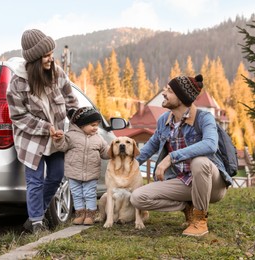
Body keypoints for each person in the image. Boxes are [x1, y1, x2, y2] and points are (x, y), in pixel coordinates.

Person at [130, 74, 232, 237]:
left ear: (182, 97)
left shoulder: (204, 118)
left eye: (169, 90)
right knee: (137, 198)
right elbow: (149, 148)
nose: (163, 93)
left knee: (199, 162)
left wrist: (171, 157)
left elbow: (210, 144)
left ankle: (199, 221)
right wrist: (126, 165)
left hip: (212, 184)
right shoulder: (164, 120)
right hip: (183, 183)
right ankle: (187, 205)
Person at [6, 29, 79, 233]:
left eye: (51, 53)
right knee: (35, 180)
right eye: (46, 55)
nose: (50, 59)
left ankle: (35, 215)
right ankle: (37, 222)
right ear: (36, 59)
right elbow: (18, 117)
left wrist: (74, 121)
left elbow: (71, 101)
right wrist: (46, 128)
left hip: (56, 139)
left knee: (56, 175)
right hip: (31, 139)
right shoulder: (17, 83)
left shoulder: (58, 73)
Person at [51, 106, 110, 225]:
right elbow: (62, 146)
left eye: (97, 125)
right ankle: (79, 214)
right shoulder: (71, 136)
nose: (95, 128)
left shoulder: (98, 138)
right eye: (92, 125)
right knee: (76, 194)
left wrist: (113, 151)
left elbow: (105, 152)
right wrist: (59, 139)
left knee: (89, 194)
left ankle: (90, 215)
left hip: (91, 172)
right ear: (82, 124)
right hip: (74, 172)